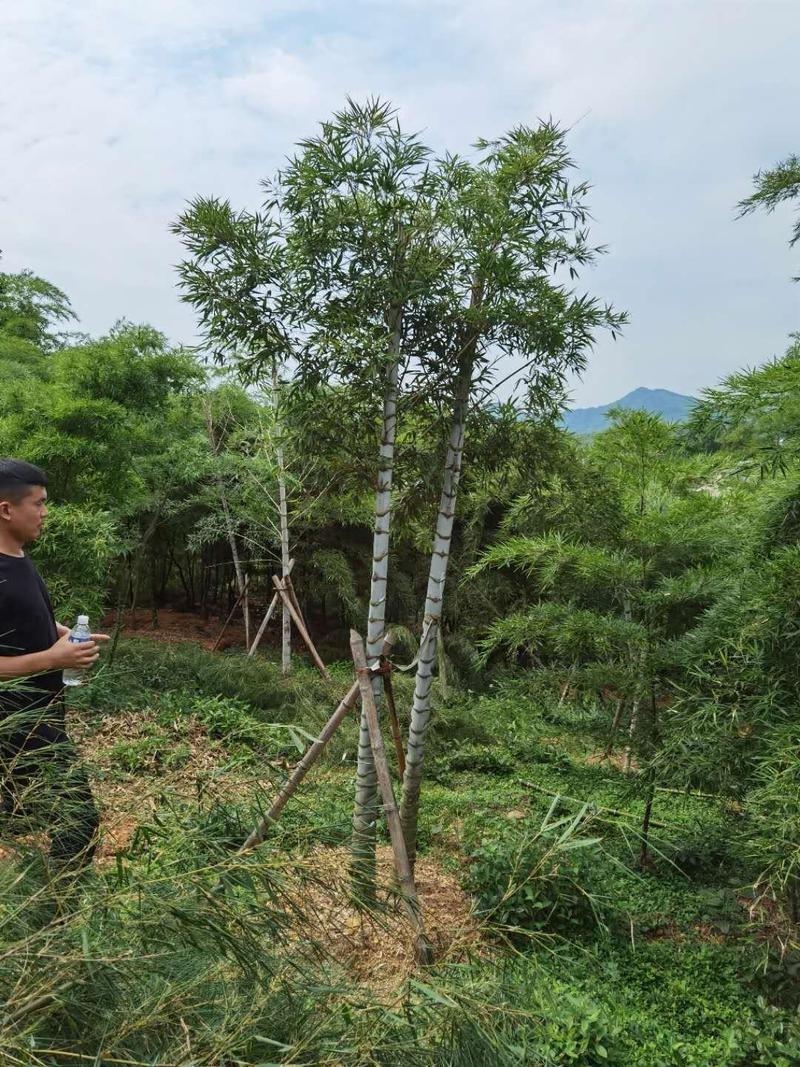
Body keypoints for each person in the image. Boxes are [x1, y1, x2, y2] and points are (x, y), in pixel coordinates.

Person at [0, 458, 108, 870]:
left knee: (21, 812)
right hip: (18, 725)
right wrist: (51, 658)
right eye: (39, 503)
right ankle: (54, 916)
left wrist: (62, 634)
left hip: (41, 716)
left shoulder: (19, 559)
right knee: (79, 820)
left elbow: (22, 619)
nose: (45, 512)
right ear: (7, 510)